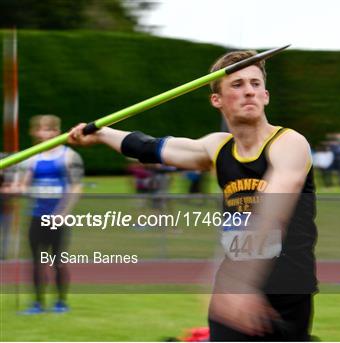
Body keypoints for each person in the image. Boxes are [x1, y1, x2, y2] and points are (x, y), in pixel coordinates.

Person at [68, 50, 317, 341]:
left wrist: (243, 277)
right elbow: (153, 147)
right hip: (232, 288)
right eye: (237, 85)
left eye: (255, 83)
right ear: (217, 100)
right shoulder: (217, 147)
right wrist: (101, 134)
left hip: (286, 292)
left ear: (266, 95)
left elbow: (274, 207)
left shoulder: (289, 142)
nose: (249, 91)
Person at [19, 115, 84, 314]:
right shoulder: (32, 157)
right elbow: (23, 185)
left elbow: (76, 187)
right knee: (36, 262)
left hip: (58, 218)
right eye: (40, 129)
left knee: (58, 262)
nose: (43, 133)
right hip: (36, 216)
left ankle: (61, 302)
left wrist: (62, 213)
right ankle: (37, 303)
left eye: (48, 129)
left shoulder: (69, 156)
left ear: (57, 132)